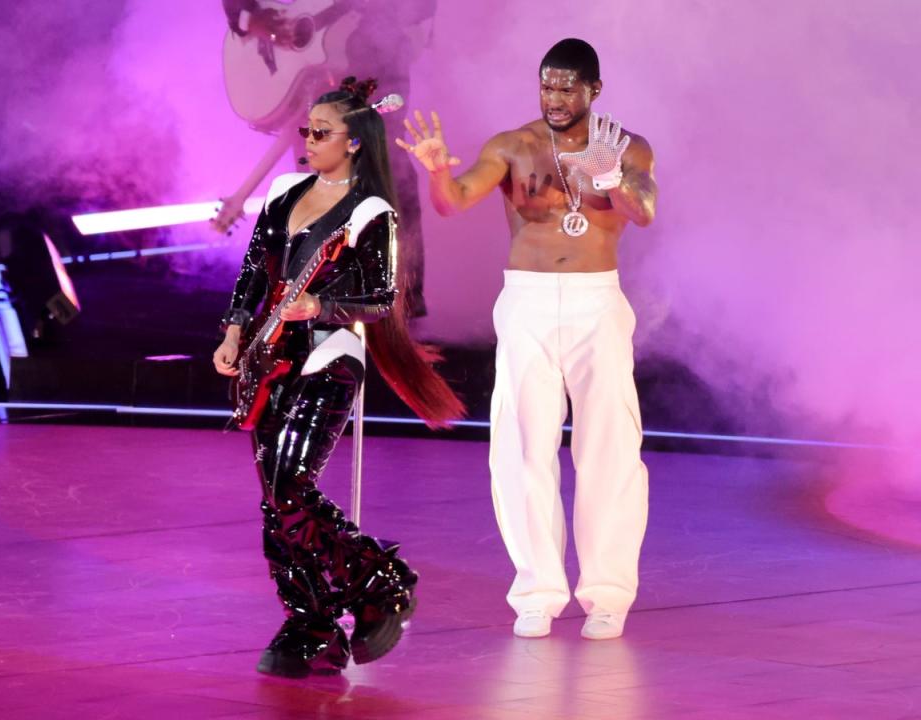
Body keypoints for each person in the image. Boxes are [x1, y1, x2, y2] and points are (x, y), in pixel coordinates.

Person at [397, 39, 657, 640]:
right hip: (528, 300)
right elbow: (453, 203)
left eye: (567, 87)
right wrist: (437, 170)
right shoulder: (513, 145)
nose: (555, 98)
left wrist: (611, 177)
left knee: (609, 448)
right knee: (521, 446)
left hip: (597, 300)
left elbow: (642, 210)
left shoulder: (627, 146)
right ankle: (537, 592)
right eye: (546, 86)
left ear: (594, 90)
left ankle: (608, 594)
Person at [213, 76, 463, 677]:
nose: (308, 140)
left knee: (290, 484)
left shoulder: (371, 212)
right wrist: (232, 331)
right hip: (269, 357)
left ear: (353, 142)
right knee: (276, 502)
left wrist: (321, 307)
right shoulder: (284, 192)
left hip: (329, 356)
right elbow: (254, 271)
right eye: (307, 130)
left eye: (321, 132)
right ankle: (311, 622)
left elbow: (379, 298)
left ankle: (380, 578)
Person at [216, 0, 436, 317]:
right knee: (321, 183)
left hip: (374, 57)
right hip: (311, 76)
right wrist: (255, 20)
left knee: (389, 173)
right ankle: (317, 304)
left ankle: (399, 307)